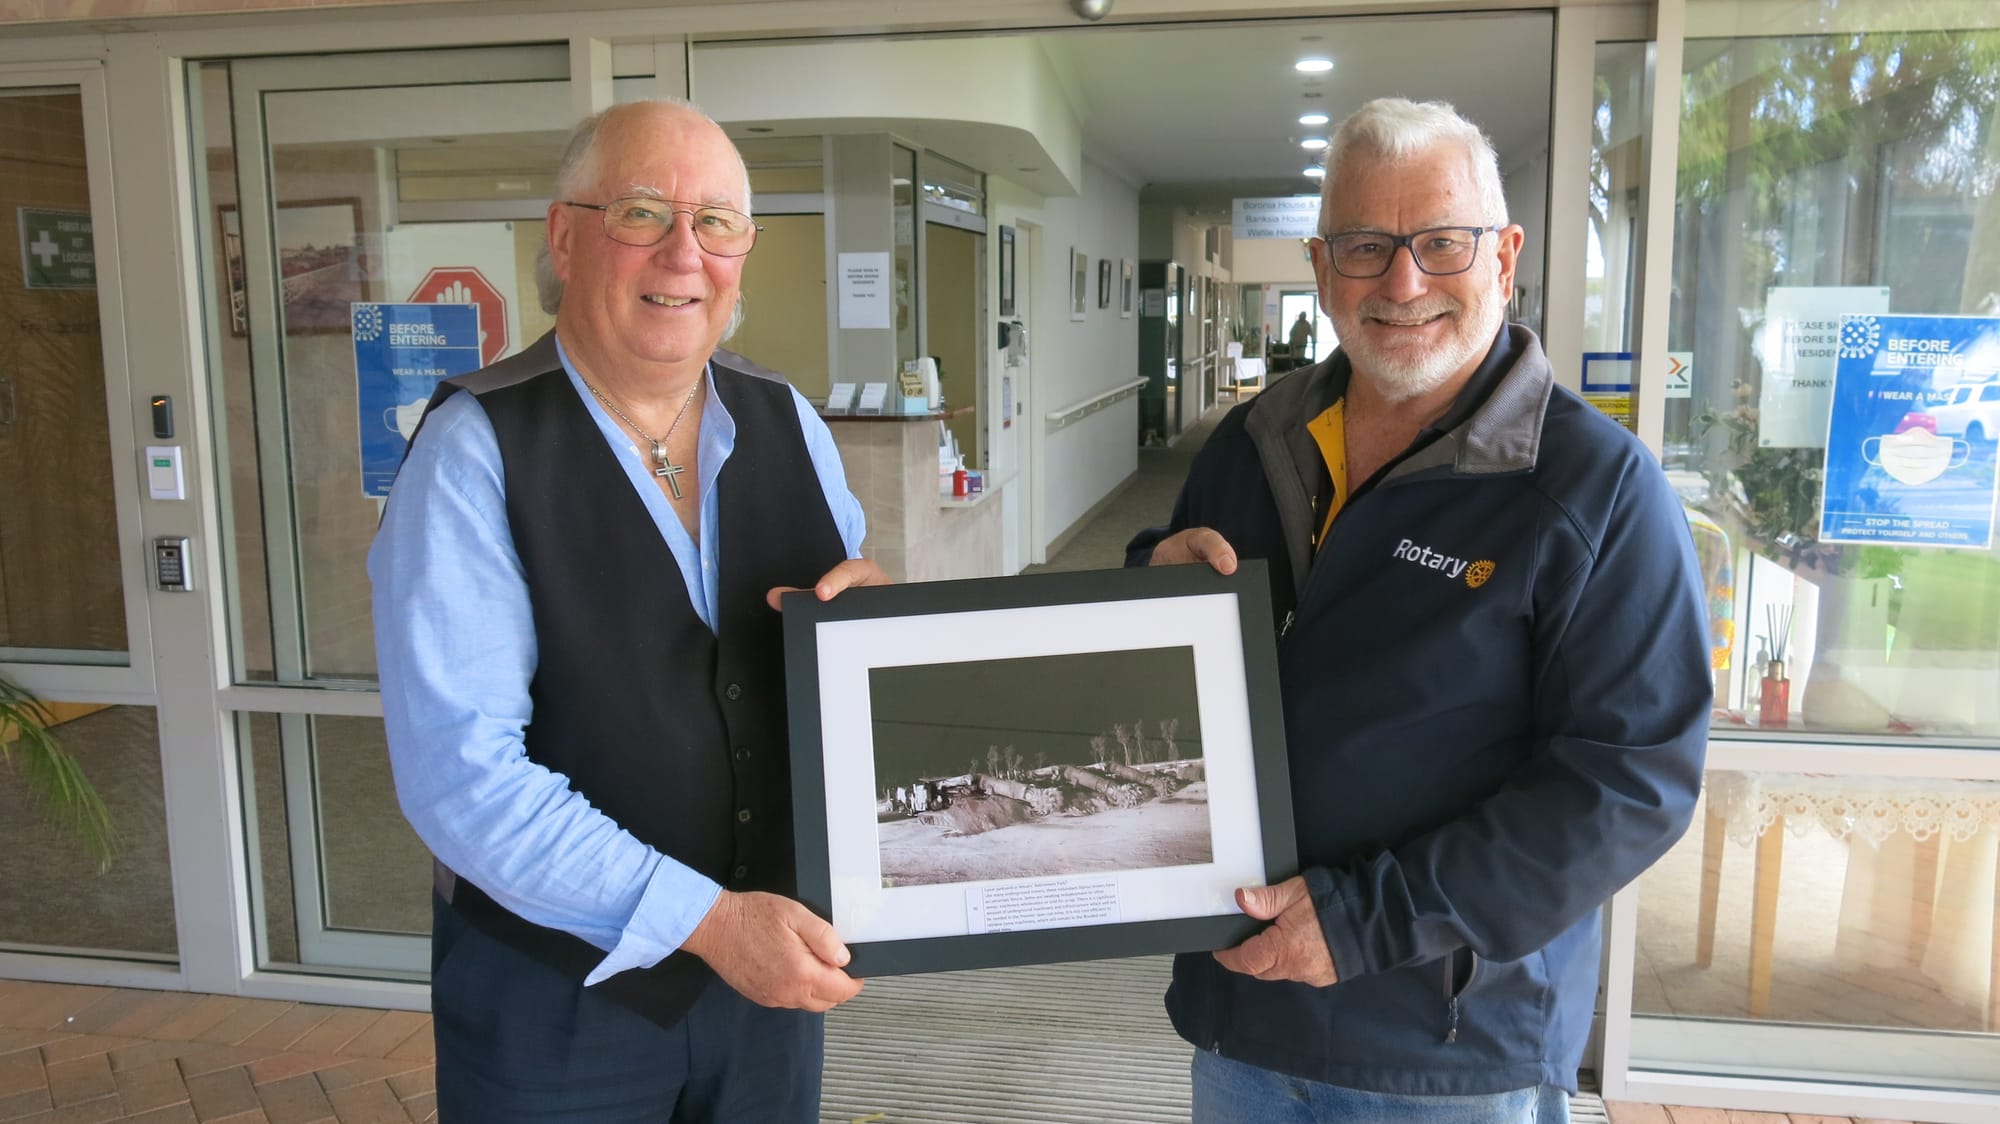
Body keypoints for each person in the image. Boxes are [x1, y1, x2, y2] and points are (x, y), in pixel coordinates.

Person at [1127, 97, 1711, 1123]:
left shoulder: (1591, 487)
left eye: (1441, 243)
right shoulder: (1250, 444)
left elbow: (1630, 779)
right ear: (1319, 266)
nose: (1402, 283)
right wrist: (1144, 579)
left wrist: (1362, 920)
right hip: (1241, 1016)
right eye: (1364, 246)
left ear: (1504, 255)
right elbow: (1168, 632)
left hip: (1445, 1052)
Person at [369, 98, 886, 1122]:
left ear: (746, 249)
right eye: (642, 212)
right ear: (564, 237)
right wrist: (707, 920)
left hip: (763, 986)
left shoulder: (789, 419)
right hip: (557, 997)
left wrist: (874, 630)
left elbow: (832, 653)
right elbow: (462, 779)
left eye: (718, 222)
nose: (684, 252)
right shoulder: (474, 448)